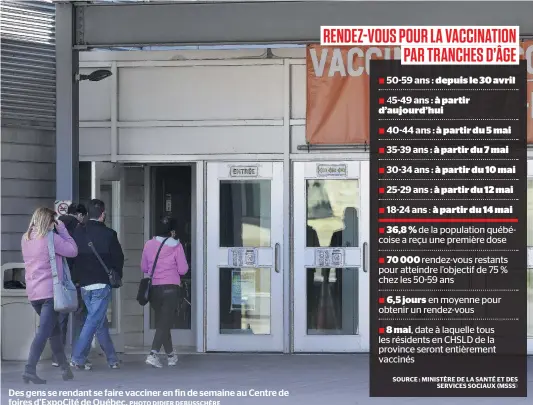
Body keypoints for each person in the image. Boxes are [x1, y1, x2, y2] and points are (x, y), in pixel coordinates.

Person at [21, 207, 77, 384]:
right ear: (50, 221)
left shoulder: (26, 238)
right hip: (50, 293)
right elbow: (73, 250)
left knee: (54, 331)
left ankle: (64, 369)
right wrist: (62, 229)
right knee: (45, 332)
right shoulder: (51, 238)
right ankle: (30, 369)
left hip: (33, 293)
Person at [70, 199, 124, 370]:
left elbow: (72, 258)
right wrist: (116, 274)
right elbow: (118, 259)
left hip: (84, 284)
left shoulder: (78, 233)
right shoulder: (109, 234)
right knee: (93, 320)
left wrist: (76, 278)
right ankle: (77, 357)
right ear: (103, 214)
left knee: (99, 321)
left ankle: (112, 359)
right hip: (102, 283)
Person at [142, 216, 189, 368]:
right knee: (164, 322)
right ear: (172, 231)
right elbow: (183, 269)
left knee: (164, 322)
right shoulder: (176, 246)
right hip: (171, 288)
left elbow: (144, 267)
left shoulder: (148, 244)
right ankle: (153, 353)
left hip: (155, 288)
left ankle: (170, 356)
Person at [52, 203, 88, 368]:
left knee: (60, 317)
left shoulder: (55, 226)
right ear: (80, 215)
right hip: (76, 278)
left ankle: (57, 356)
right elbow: (78, 254)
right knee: (81, 317)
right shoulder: (79, 228)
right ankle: (77, 354)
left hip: (58, 279)